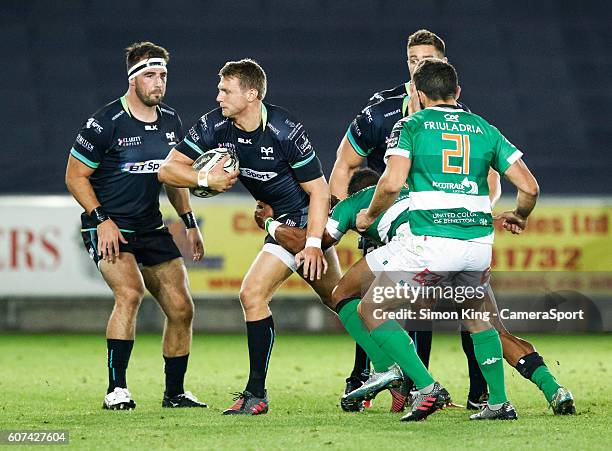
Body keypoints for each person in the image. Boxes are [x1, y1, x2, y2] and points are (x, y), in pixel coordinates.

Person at [257, 168, 574, 416]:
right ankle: (553, 390)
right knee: (495, 331)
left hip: (418, 254)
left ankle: (391, 369)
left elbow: (307, 243)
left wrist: (270, 224)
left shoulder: (354, 204)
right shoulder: (417, 190)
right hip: (458, 250)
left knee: (343, 294)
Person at [336, 58, 542, 422]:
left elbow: (392, 182)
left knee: (372, 309)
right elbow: (529, 187)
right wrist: (520, 215)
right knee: (477, 318)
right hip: (478, 246)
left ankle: (427, 387)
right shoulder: (483, 128)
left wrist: (369, 215)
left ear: (417, 92)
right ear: (457, 93)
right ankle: (498, 402)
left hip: (431, 243)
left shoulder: (410, 125)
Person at [158, 58, 341, 415]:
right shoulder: (216, 125)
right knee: (337, 300)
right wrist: (204, 180)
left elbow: (320, 192)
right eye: (220, 89)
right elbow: (167, 169)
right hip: (278, 220)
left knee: (324, 299)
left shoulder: (285, 130)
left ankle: (381, 374)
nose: (219, 96)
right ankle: (380, 373)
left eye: (226, 90)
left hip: (304, 222)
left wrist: (315, 243)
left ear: (252, 94)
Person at [329, 29, 497, 411]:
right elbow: (345, 163)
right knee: (372, 301)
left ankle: (460, 389)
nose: (418, 65)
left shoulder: (461, 118)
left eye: (426, 59)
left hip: (438, 228)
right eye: (412, 59)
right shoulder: (382, 109)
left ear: (442, 64)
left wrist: (472, 214)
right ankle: (378, 376)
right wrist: (349, 210)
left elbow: (490, 180)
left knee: (432, 309)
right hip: (386, 222)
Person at [65, 42, 208, 410]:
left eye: (162, 74)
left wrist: (189, 221)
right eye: (150, 74)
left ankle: (174, 393)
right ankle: (117, 389)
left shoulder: (172, 122)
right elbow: (75, 176)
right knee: (129, 294)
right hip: (108, 225)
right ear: (132, 79)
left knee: (182, 308)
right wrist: (102, 220)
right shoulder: (104, 123)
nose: (158, 82)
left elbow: (174, 178)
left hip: (150, 226)